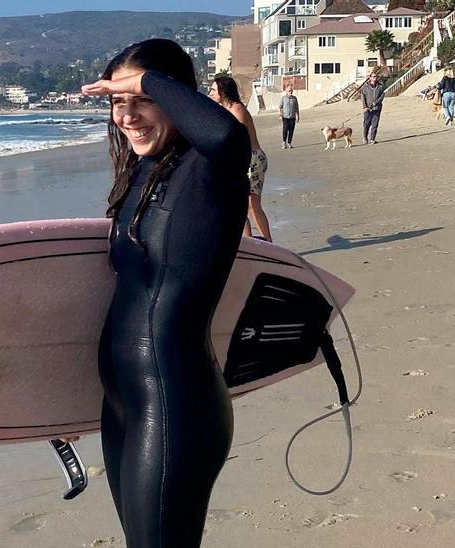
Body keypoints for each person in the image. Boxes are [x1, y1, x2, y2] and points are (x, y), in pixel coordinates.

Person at [79, 38, 249, 546]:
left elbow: (225, 135)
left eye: (142, 99)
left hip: (175, 403)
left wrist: (149, 79)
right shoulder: (143, 174)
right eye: (117, 102)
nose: (128, 115)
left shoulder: (208, 168)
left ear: (176, 95)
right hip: (122, 403)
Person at [209, 76, 272, 242]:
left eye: (214, 90)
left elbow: (235, 139)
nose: (211, 93)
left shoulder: (237, 111)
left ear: (223, 92)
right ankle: (248, 242)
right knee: (238, 206)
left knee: (252, 206)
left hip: (252, 160)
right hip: (241, 160)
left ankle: (269, 245)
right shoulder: (227, 110)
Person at [359, 71, 384, 144]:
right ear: (370, 78)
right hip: (367, 109)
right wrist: (365, 106)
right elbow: (363, 97)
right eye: (373, 77)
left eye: (376, 77)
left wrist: (375, 103)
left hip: (377, 108)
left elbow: (382, 96)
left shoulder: (380, 86)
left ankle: (372, 139)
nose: (375, 78)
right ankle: (365, 137)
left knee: (375, 124)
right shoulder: (365, 87)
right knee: (366, 124)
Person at [278, 85, 300, 149]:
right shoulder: (283, 98)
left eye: (291, 91)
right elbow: (280, 107)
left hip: (292, 117)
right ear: (286, 91)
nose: (291, 92)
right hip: (285, 117)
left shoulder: (294, 98)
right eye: (289, 91)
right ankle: (284, 142)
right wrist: (280, 115)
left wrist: (298, 115)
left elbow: (297, 108)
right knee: (285, 129)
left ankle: (289, 143)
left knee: (291, 130)